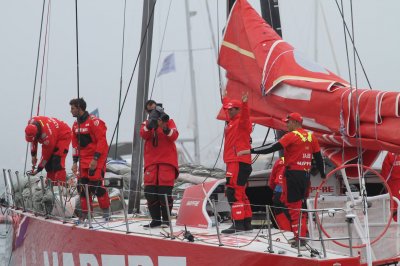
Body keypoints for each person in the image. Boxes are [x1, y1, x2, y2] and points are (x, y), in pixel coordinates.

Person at [238, 112, 326, 248]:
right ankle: (301, 234)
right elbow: (318, 158)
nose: (286, 124)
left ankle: (299, 239)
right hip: (305, 176)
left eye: (288, 122)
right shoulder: (310, 136)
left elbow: (271, 148)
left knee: (293, 208)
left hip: (293, 176)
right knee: (296, 205)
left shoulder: (291, 136)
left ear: (295, 123)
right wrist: (323, 174)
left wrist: (250, 151)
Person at [70, 98, 110, 221]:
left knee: (95, 186)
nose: (70, 111)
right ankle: (86, 215)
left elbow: (102, 141)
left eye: (72, 108)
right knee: (82, 188)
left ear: (79, 108)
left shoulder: (94, 122)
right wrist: (75, 162)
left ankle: (106, 214)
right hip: (83, 159)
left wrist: (95, 159)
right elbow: (75, 145)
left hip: (96, 158)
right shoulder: (75, 125)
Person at [140, 100, 179, 228]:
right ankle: (156, 219)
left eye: (156, 110)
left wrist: (164, 127)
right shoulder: (146, 124)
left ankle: (166, 221)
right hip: (151, 163)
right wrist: (151, 124)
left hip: (166, 163)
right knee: (150, 193)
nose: (154, 113)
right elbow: (143, 134)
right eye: (151, 111)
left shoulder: (169, 122)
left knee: (164, 193)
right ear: (147, 112)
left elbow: (174, 136)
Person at [220, 93, 253, 234]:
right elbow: (228, 107)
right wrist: (225, 98)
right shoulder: (232, 121)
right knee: (241, 193)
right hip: (235, 161)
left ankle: (238, 225)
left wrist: (245, 104)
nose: (229, 111)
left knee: (233, 192)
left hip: (237, 162)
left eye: (232, 109)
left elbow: (245, 116)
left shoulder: (242, 122)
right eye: (228, 109)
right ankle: (246, 224)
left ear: (238, 110)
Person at [24, 116, 71, 183]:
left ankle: (60, 185)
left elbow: (45, 156)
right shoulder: (31, 123)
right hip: (54, 131)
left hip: (63, 135)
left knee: (57, 160)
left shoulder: (47, 137)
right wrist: (33, 155)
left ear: (37, 133)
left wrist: (38, 169)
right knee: (48, 164)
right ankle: (50, 183)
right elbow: (33, 141)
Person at [381, 152, 400, 221]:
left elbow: (385, 172)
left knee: (395, 205)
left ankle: (397, 221)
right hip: (394, 183)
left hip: (394, 184)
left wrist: (385, 183)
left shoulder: (390, 154)